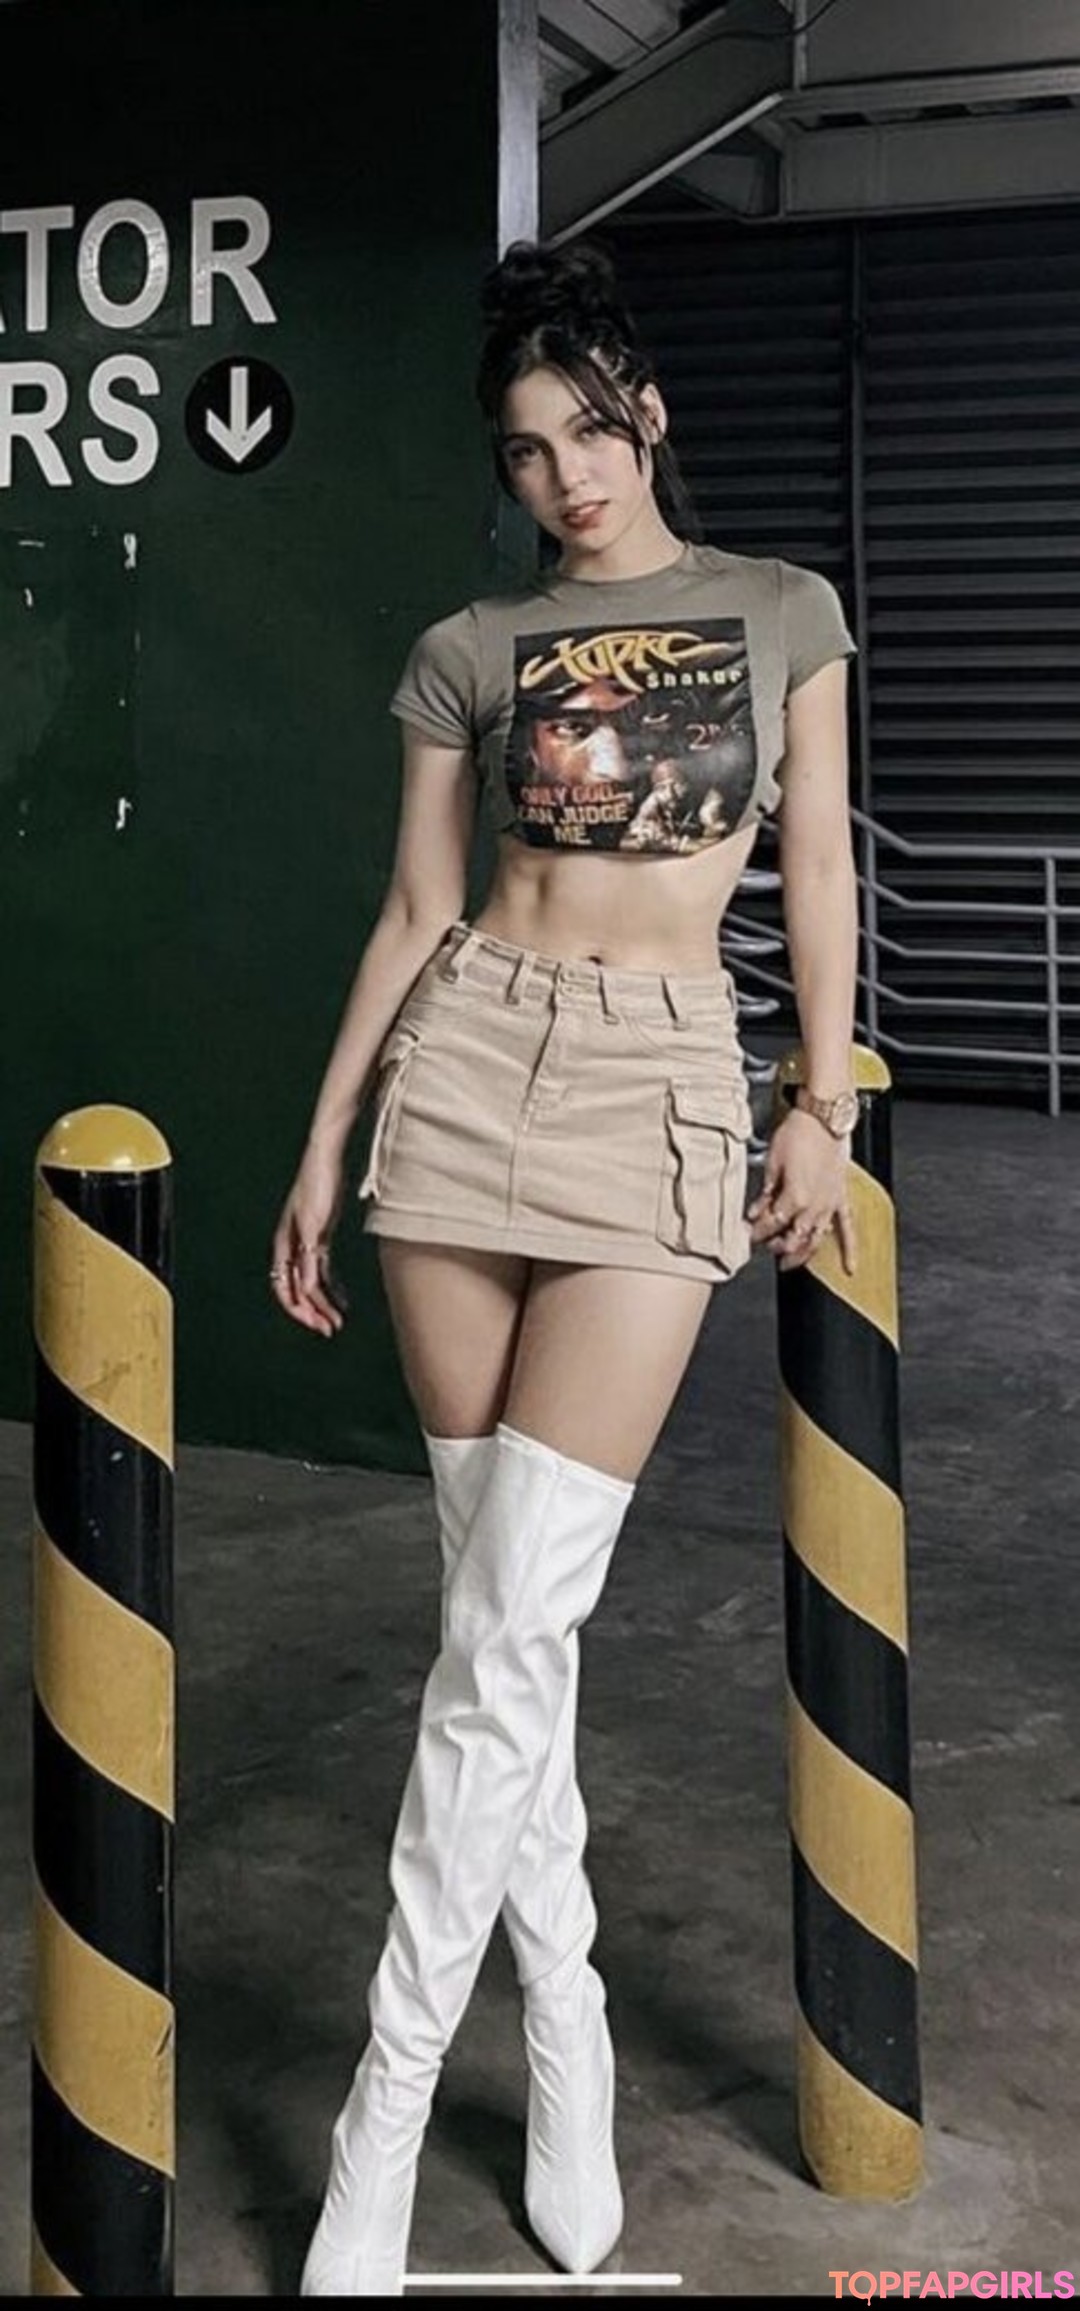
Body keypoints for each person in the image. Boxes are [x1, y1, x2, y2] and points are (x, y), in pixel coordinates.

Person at [270, 238, 860, 2298]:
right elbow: (418, 903)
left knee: (514, 1619)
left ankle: (383, 2112)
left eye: (590, 433)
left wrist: (821, 1098)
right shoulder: (469, 646)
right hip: (462, 1086)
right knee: (497, 1626)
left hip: (659, 1090)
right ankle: (568, 2030)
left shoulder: (781, 611)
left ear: (647, 413)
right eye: (526, 453)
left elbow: (817, 863)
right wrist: (328, 1134)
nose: (566, 478)